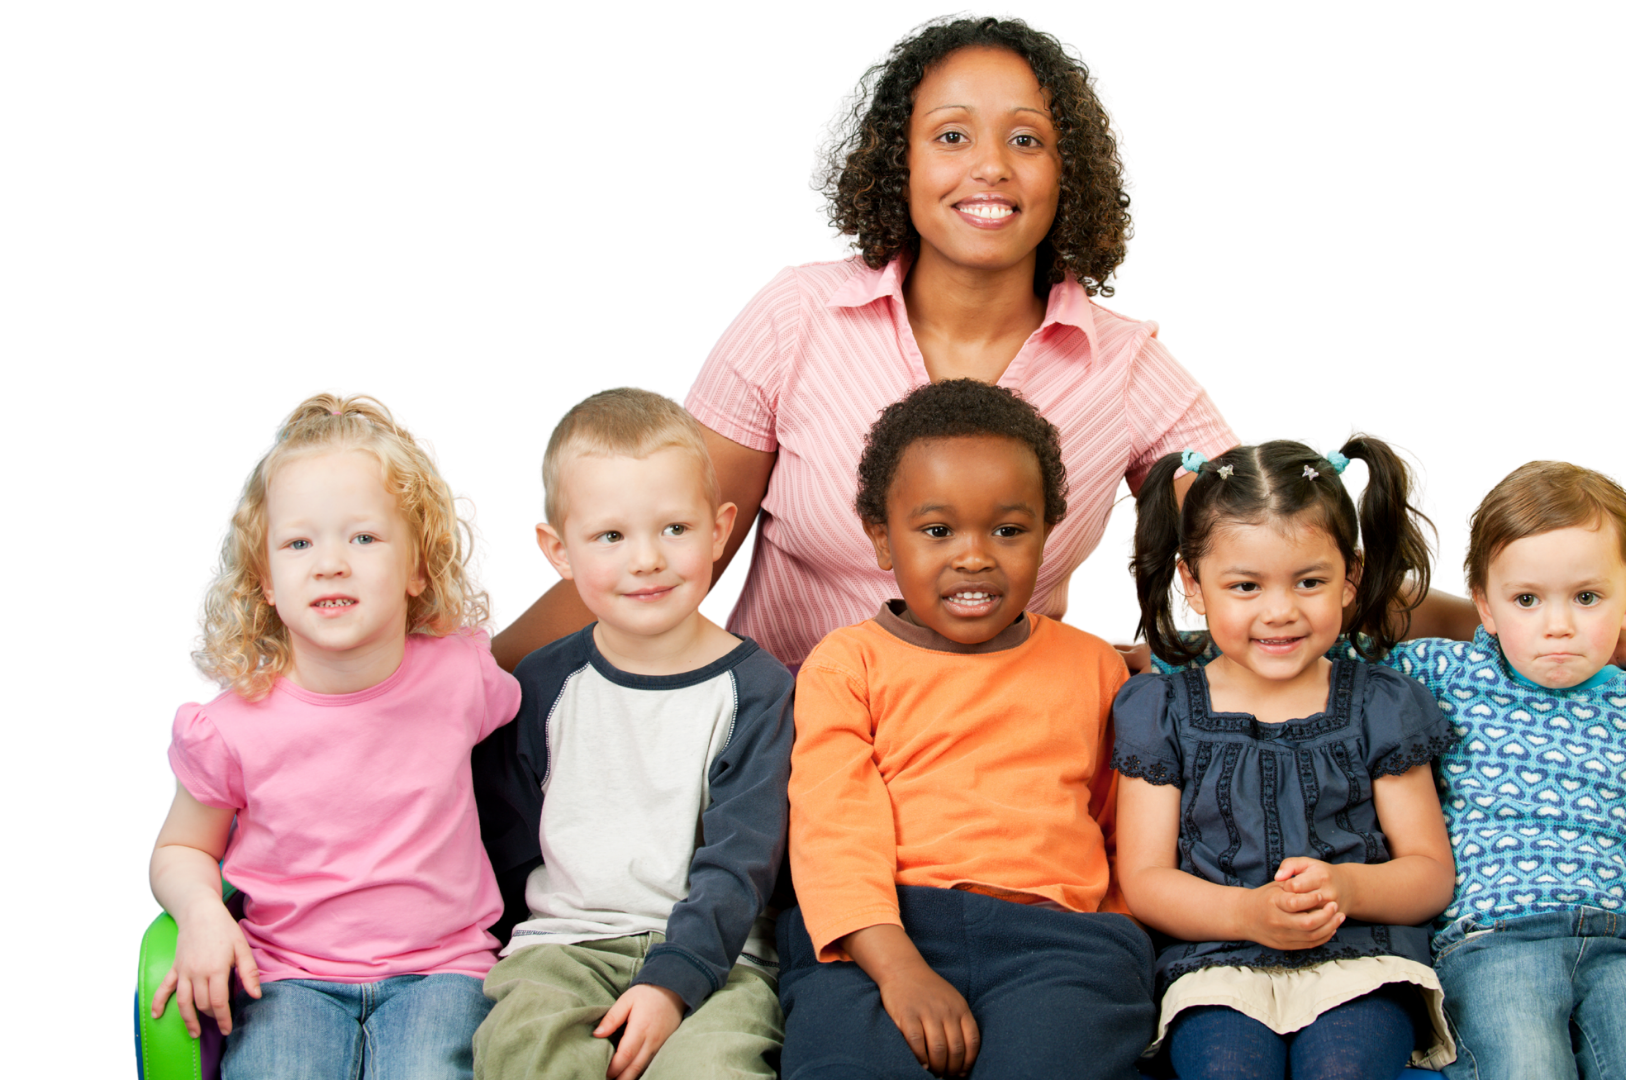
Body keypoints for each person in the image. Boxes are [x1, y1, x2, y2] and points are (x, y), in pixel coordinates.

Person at [490, 11, 1241, 676]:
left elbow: (1271, 539)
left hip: (993, 752)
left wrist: (1176, 670)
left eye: (1026, 139)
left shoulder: (1129, 361)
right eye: (951, 136)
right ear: (899, 163)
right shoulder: (797, 315)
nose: (990, 166)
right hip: (779, 755)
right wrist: (471, 686)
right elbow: (652, 552)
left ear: (1067, 173)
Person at [779, 379, 1156, 1079]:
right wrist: (896, 966)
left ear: (1047, 532)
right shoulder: (846, 663)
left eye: (1008, 530)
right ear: (882, 539)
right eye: (937, 530)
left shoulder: (1093, 665)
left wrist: (1121, 933)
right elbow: (832, 826)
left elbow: (1120, 822)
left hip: (1058, 942)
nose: (975, 555)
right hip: (879, 932)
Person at [1350, 458, 1626, 1080]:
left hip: (1623, 940)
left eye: (1587, 597)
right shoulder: (1444, 673)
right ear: (1484, 606)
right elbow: (1329, 642)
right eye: (1525, 599)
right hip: (1490, 938)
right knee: (1523, 1066)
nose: (1557, 626)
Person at [148, 388, 515, 1080]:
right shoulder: (228, 725)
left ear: (417, 567)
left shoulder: (462, 674)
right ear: (264, 578)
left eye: (365, 536)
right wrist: (199, 910)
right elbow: (180, 848)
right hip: (287, 979)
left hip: (444, 972)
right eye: (298, 542)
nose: (331, 562)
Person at [470, 387, 792, 1080]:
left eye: (674, 529)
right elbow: (505, 830)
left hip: (720, 956)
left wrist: (674, 982)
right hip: (565, 947)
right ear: (557, 550)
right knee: (519, 1049)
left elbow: (745, 859)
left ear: (718, 528)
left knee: (716, 1067)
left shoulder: (759, 691)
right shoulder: (540, 683)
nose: (647, 559)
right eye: (611, 536)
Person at [1114, 433, 1459, 1079]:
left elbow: (1429, 875)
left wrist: (1350, 886)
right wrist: (1246, 913)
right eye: (1245, 585)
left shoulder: (1380, 703)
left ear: (1350, 579)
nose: (1279, 612)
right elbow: (1145, 880)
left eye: (1309, 581)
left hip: (1360, 959)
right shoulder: (1160, 710)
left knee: (1344, 1068)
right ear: (1193, 587)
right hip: (1216, 960)